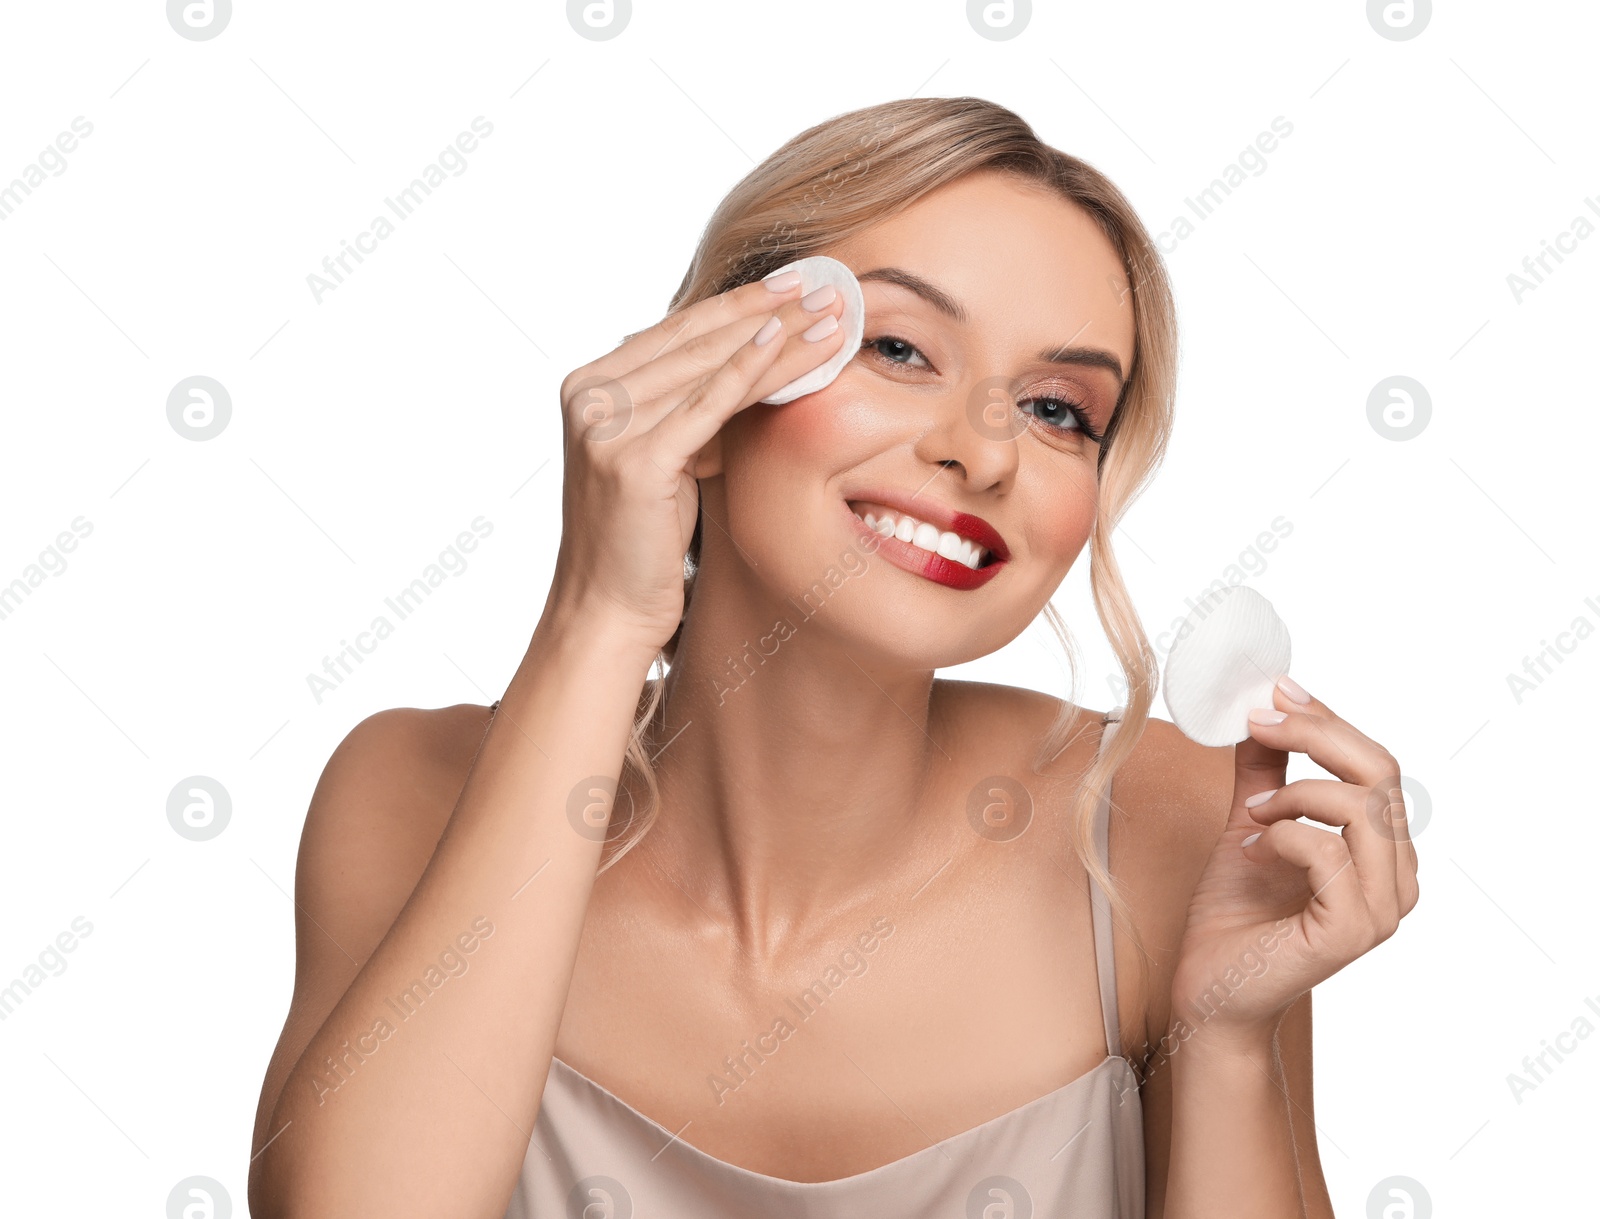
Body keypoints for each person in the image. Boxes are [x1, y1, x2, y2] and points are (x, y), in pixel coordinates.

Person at [247, 96, 1418, 1218]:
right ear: (710, 377)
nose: (982, 449)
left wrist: (1224, 1031)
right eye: (903, 348)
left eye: (1059, 409)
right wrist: (596, 616)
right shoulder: (406, 792)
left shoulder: (1171, 820)